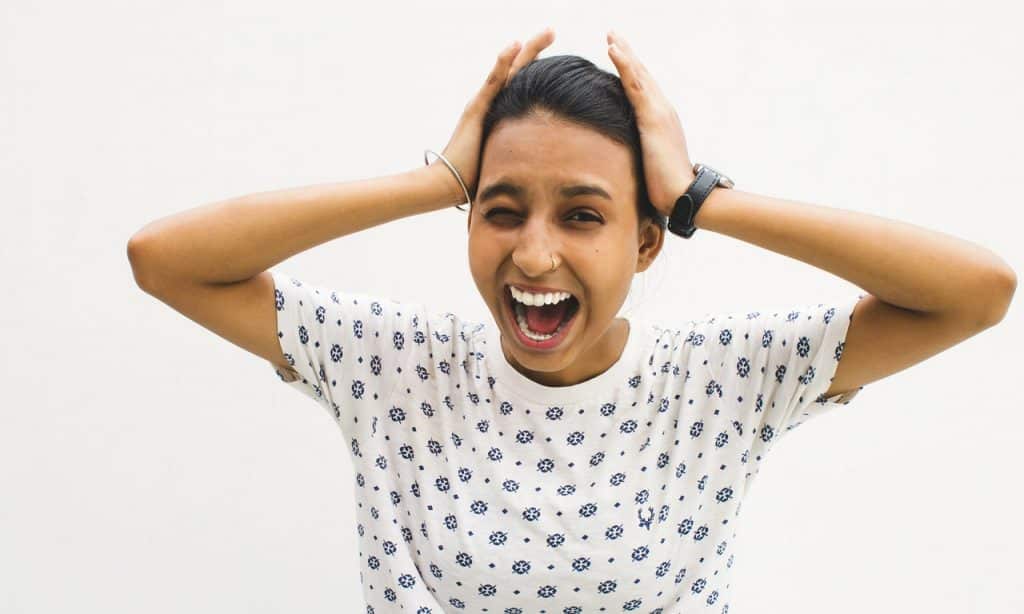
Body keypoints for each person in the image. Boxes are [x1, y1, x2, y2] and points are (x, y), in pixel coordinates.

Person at [127, 27, 1015, 613]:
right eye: (501, 210)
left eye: (583, 216)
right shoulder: (394, 366)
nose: (535, 256)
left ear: (647, 243)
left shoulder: (720, 382)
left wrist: (698, 194)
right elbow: (165, 259)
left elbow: (975, 291)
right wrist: (433, 181)